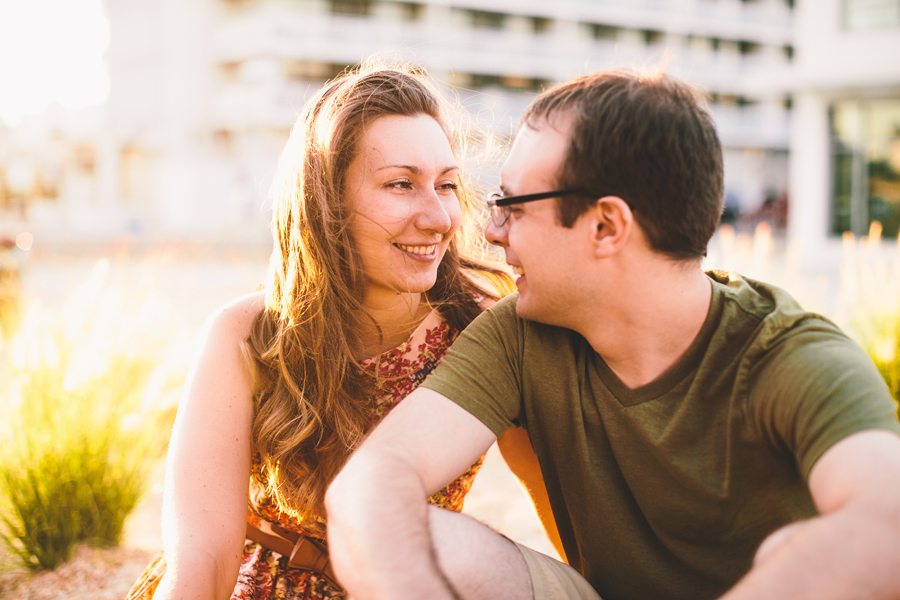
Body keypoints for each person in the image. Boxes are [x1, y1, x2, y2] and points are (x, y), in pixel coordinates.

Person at [324, 68, 900, 600]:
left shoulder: (786, 352)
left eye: (514, 205)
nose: (489, 230)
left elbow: (887, 521)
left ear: (605, 226)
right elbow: (371, 484)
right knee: (429, 540)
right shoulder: (521, 333)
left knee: (803, 548)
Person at [126, 64, 513, 600]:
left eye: (446, 185)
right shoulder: (247, 334)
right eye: (401, 184)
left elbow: (571, 525)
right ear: (326, 200)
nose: (438, 217)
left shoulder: (487, 332)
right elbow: (204, 558)